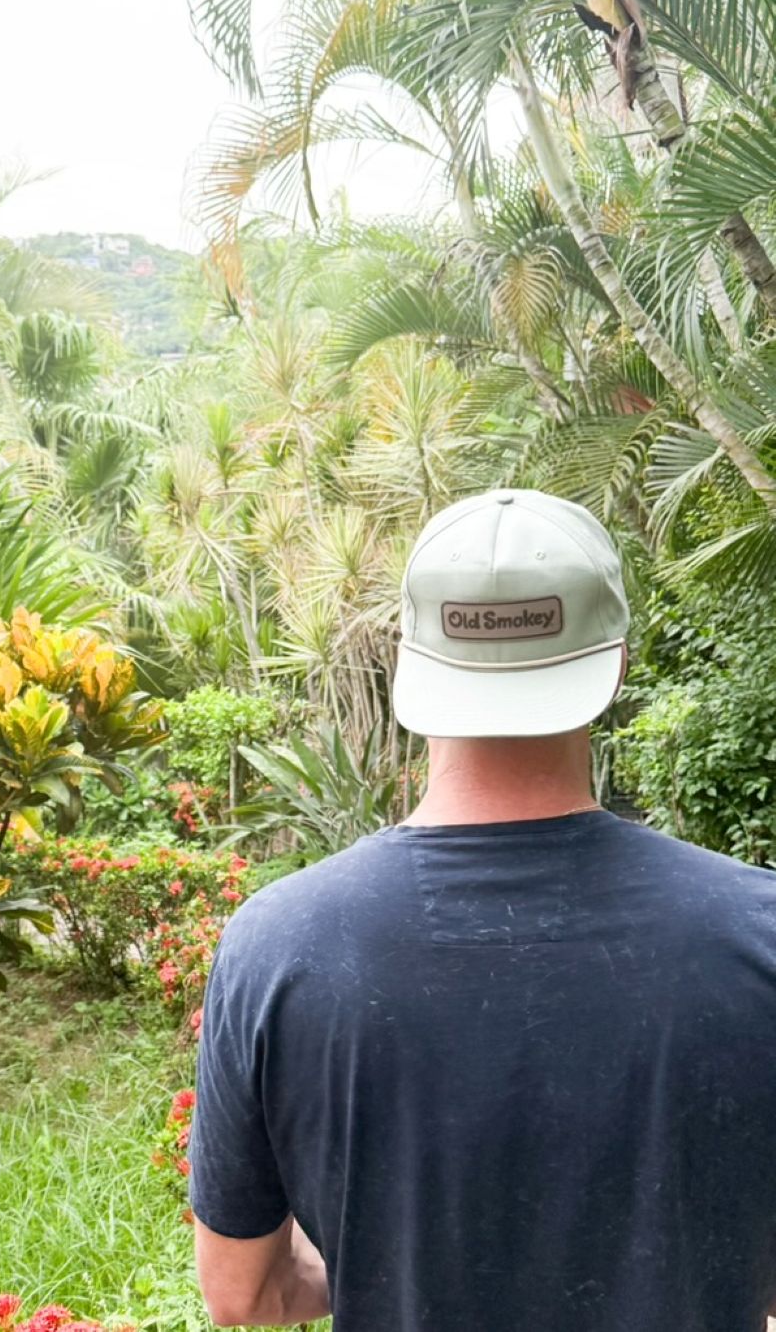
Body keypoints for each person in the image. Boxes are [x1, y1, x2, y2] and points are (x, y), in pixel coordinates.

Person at [187, 488, 776, 1330]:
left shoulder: (276, 946)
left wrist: (368, 1257)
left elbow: (242, 1291)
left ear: (412, 667)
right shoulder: (759, 934)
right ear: (614, 665)